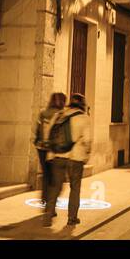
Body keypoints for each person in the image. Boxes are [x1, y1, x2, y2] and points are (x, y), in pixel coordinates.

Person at [42, 92, 91, 227]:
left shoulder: (59, 115)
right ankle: (72, 218)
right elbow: (87, 140)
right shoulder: (84, 118)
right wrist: (87, 155)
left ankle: (49, 214)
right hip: (76, 158)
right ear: (82, 104)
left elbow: (48, 135)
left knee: (55, 186)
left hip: (58, 156)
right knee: (75, 188)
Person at [33, 92, 66, 200]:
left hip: (41, 148)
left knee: (46, 173)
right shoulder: (62, 114)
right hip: (54, 150)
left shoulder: (43, 113)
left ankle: (44, 197)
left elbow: (37, 130)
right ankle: (51, 202)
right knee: (56, 177)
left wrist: (37, 142)